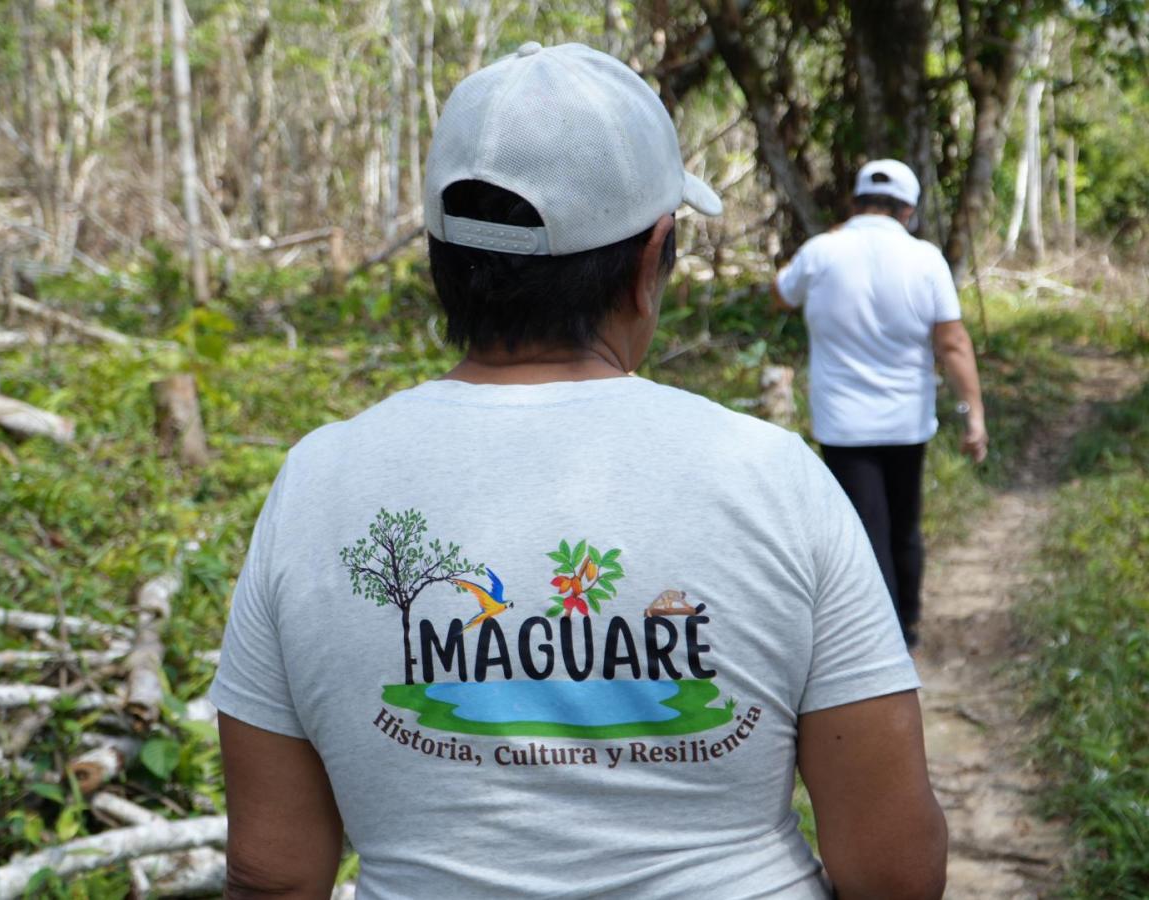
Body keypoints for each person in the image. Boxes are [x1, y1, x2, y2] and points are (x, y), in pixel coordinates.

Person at [212, 43, 946, 899]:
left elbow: (272, 873)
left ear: (442, 264)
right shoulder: (773, 477)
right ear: (650, 263)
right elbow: (892, 868)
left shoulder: (317, 482)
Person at [771, 159, 988, 648]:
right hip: (907, 420)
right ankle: (905, 625)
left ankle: (877, 640)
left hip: (842, 424)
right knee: (904, 525)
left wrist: (822, 244)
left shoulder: (821, 251)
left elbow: (780, 295)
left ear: (854, 203)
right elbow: (952, 343)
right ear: (908, 210)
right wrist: (973, 413)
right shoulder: (926, 258)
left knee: (864, 530)